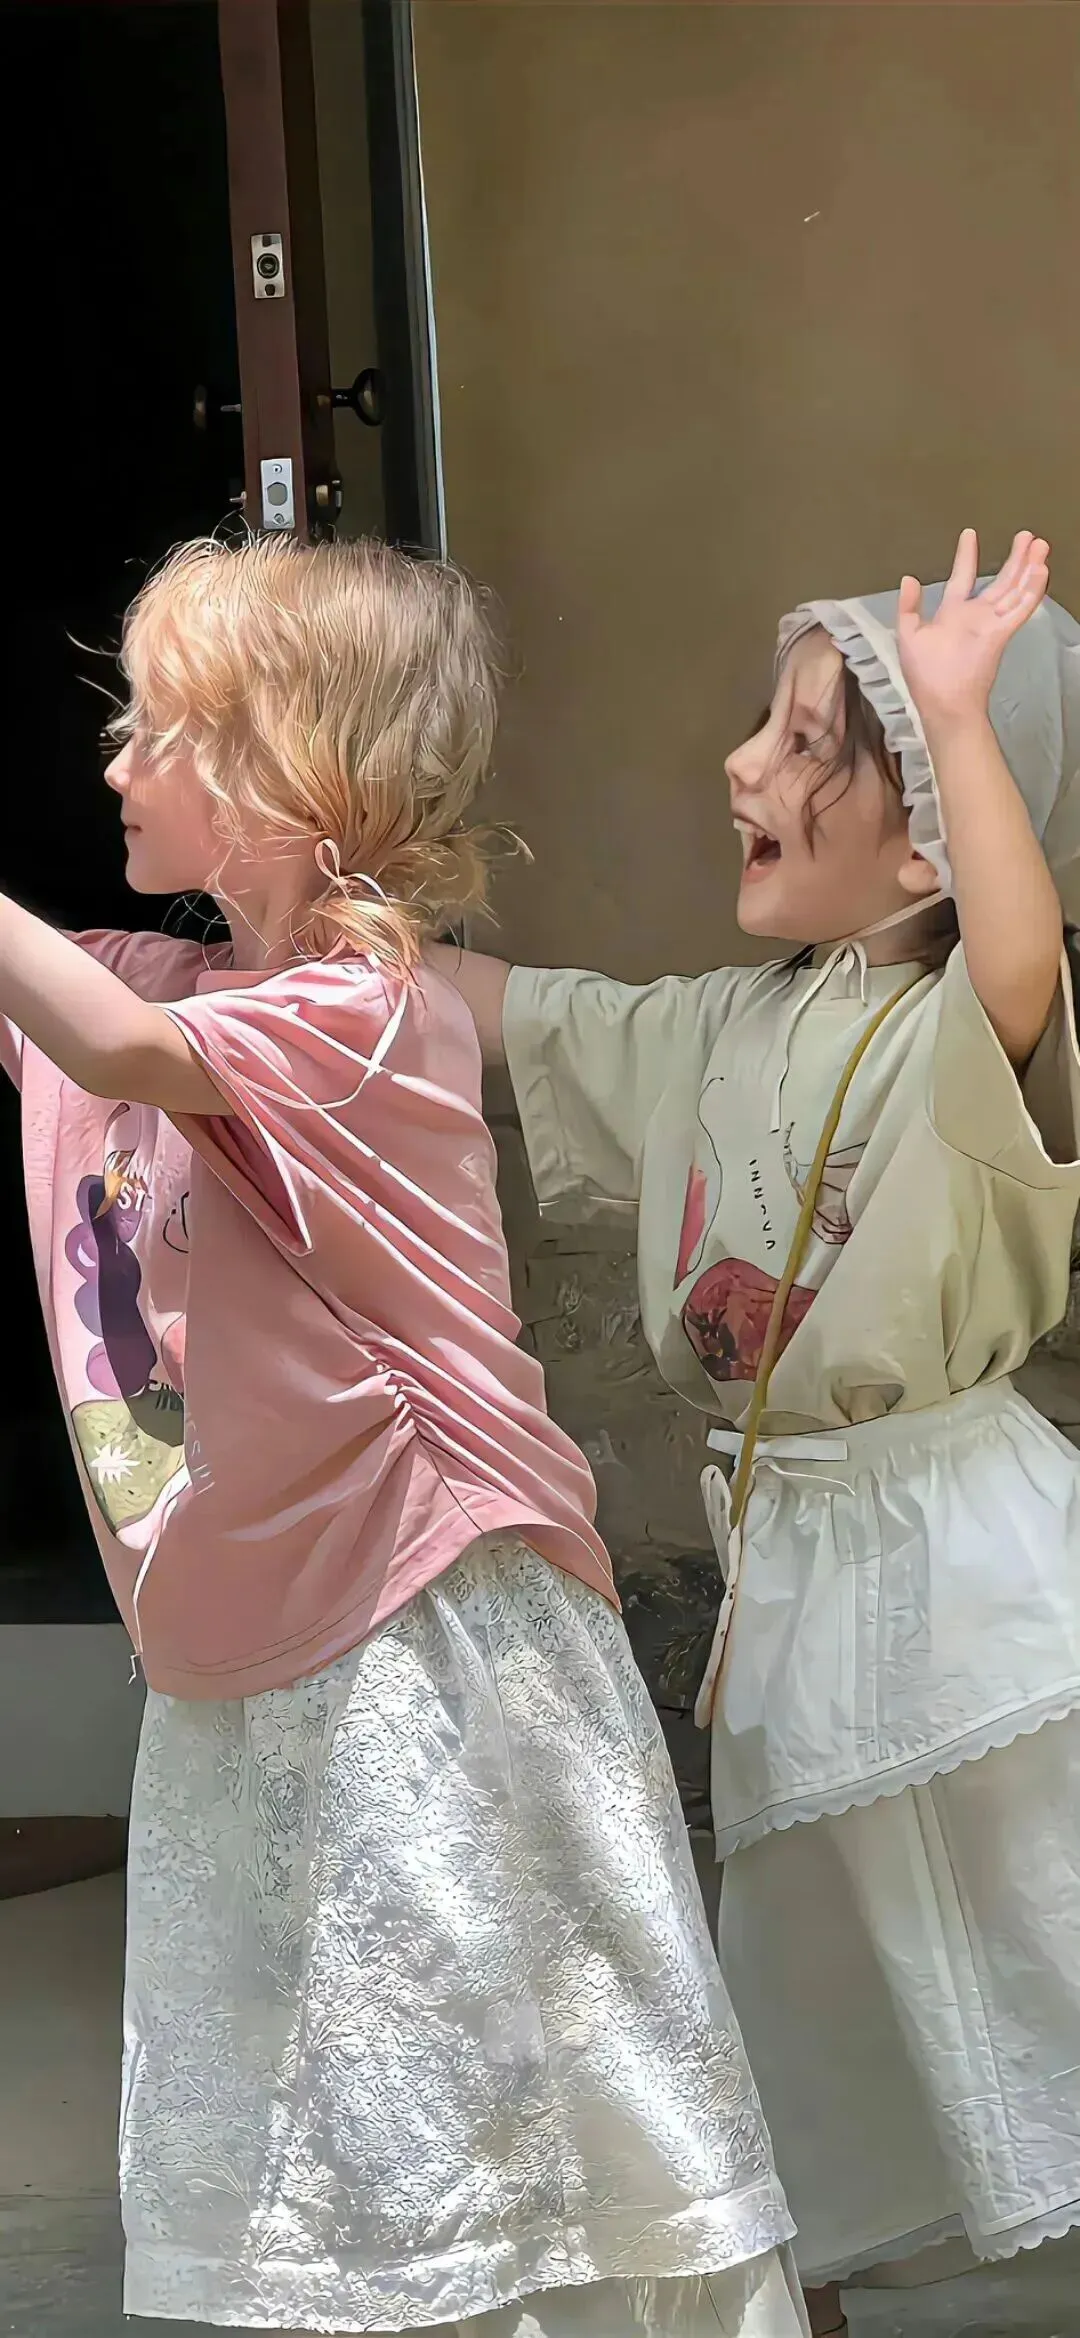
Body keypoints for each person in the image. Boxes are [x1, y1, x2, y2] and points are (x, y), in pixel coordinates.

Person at [0, 535, 808, 2337]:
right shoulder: (196, 992)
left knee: (472, 2070)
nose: (114, 761)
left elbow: (111, 1046)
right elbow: (79, 1016)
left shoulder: (367, 1016)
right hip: (273, 1641)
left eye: (161, 729)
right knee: (341, 2097)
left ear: (289, 775)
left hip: (427, 1639)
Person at [436, 529, 1080, 2334]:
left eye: (808, 747)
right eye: (766, 726)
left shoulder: (972, 1025)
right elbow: (519, 1021)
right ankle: (809, 2268)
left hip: (970, 1567)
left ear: (934, 834)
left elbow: (1016, 952)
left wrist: (954, 718)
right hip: (795, 1575)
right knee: (805, 1975)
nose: (743, 767)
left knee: (1045, 1924)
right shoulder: (728, 1025)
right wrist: (319, 946)